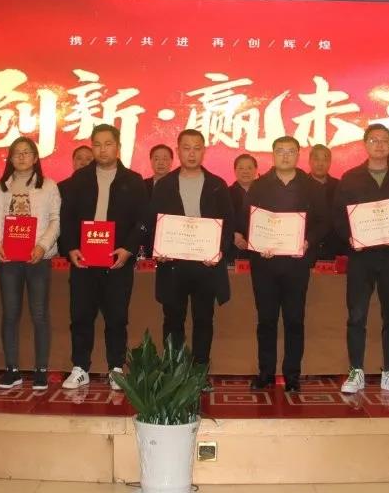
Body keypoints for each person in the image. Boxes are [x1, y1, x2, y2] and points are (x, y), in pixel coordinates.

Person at [59, 124, 149, 390]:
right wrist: (71, 248)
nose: (102, 150)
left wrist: (128, 249)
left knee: (117, 317)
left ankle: (116, 368)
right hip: (83, 260)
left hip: (117, 260)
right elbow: (66, 218)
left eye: (108, 144)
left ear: (118, 147)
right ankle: (80, 367)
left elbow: (143, 221)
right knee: (80, 316)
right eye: (97, 144)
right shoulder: (79, 179)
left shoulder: (133, 180)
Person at [333, 124, 389, 395]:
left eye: (385, 140)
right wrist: (350, 237)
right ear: (365, 144)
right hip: (362, 257)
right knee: (356, 316)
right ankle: (356, 371)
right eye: (374, 140)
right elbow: (338, 216)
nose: (380, 145)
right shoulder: (350, 178)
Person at [242, 136, 328, 392]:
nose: (285, 156)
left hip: (296, 264)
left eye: (291, 151)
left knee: (294, 320)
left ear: (298, 155)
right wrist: (257, 242)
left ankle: (292, 375)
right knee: (266, 320)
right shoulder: (258, 186)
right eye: (280, 151)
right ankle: (266, 373)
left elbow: (324, 221)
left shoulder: (311, 186)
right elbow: (247, 219)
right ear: (273, 154)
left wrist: (308, 241)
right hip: (265, 263)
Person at [147, 129, 234, 374]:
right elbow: (153, 221)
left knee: (203, 320)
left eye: (197, 148)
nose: (192, 153)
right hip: (173, 265)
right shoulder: (164, 184)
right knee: (172, 320)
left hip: (206, 265)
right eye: (186, 148)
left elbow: (229, 223)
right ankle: (173, 371)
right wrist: (158, 248)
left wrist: (219, 251)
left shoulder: (217, 185)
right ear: (178, 151)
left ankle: (199, 371)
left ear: (204, 151)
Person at [0, 136, 61, 391]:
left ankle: (41, 370)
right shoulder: (0, 187)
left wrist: (42, 246)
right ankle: (12, 370)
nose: (22, 156)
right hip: (8, 259)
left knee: (39, 314)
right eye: (17, 152)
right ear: (10, 157)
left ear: (36, 158)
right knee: (10, 314)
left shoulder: (48, 186)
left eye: (27, 152)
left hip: (37, 258)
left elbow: (55, 220)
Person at [308, 144, 345, 260]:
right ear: (309, 161)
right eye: (316, 159)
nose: (320, 163)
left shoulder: (339, 186)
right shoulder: (301, 185)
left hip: (335, 247)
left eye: (325, 160)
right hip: (307, 247)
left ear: (330, 163)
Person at [229, 154, 258, 262]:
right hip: (233, 249)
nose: (245, 171)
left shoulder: (265, 193)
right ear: (235, 171)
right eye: (241, 168)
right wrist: (233, 235)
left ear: (256, 170)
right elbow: (221, 219)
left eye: (249, 168)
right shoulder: (226, 193)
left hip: (260, 250)